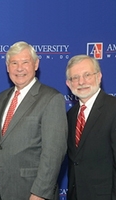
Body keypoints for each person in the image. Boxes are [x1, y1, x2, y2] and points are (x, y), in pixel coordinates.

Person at [0, 41, 68, 200]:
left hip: (31, 191)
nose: (19, 68)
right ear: (7, 67)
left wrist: (40, 192)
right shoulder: (2, 98)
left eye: (25, 62)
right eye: (14, 63)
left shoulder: (51, 98)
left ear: (36, 64)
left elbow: (54, 153)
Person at [65, 55, 116, 200]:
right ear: (68, 84)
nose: (81, 82)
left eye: (87, 75)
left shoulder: (113, 109)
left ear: (99, 76)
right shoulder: (71, 115)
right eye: (75, 78)